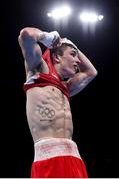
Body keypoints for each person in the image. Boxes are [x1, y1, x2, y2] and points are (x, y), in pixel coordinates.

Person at [18, 27, 97, 178]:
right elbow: (26, 35)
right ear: (57, 58)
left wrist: (71, 44)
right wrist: (47, 37)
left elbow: (91, 72)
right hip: (49, 158)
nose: (78, 60)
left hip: (74, 157)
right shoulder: (38, 71)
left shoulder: (66, 87)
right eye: (73, 55)